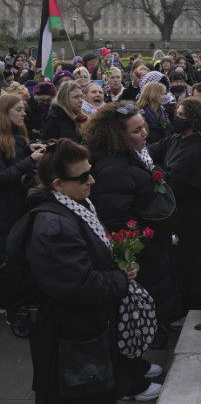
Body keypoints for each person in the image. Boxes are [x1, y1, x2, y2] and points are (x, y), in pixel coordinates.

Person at [25, 138, 162, 403]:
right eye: (84, 177)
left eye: (91, 172)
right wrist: (120, 278)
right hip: (72, 335)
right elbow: (78, 285)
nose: (92, 181)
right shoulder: (53, 226)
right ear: (58, 185)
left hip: (87, 325)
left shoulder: (77, 205)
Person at [84, 102, 182, 346]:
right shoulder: (112, 169)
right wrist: (145, 240)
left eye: (144, 127)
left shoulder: (131, 155)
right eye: (137, 130)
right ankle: (141, 351)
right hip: (141, 253)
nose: (145, 133)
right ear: (117, 135)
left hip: (151, 248)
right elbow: (116, 220)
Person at [148, 98, 201, 312]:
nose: (176, 118)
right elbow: (154, 150)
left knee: (194, 263)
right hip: (182, 216)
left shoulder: (197, 149)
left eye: (181, 115)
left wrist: (155, 170)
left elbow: (173, 180)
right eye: (177, 114)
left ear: (195, 121)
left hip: (196, 219)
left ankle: (193, 308)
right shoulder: (176, 139)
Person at [0, 94, 46, 337]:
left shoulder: (16, 137)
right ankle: (12, 309)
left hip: (18, 208)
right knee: (10, 261)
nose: (23, 113)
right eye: (18, 109)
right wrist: (30, 160)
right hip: (6, 211)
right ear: (5, 113)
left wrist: (29, 148)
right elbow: (3, 177)